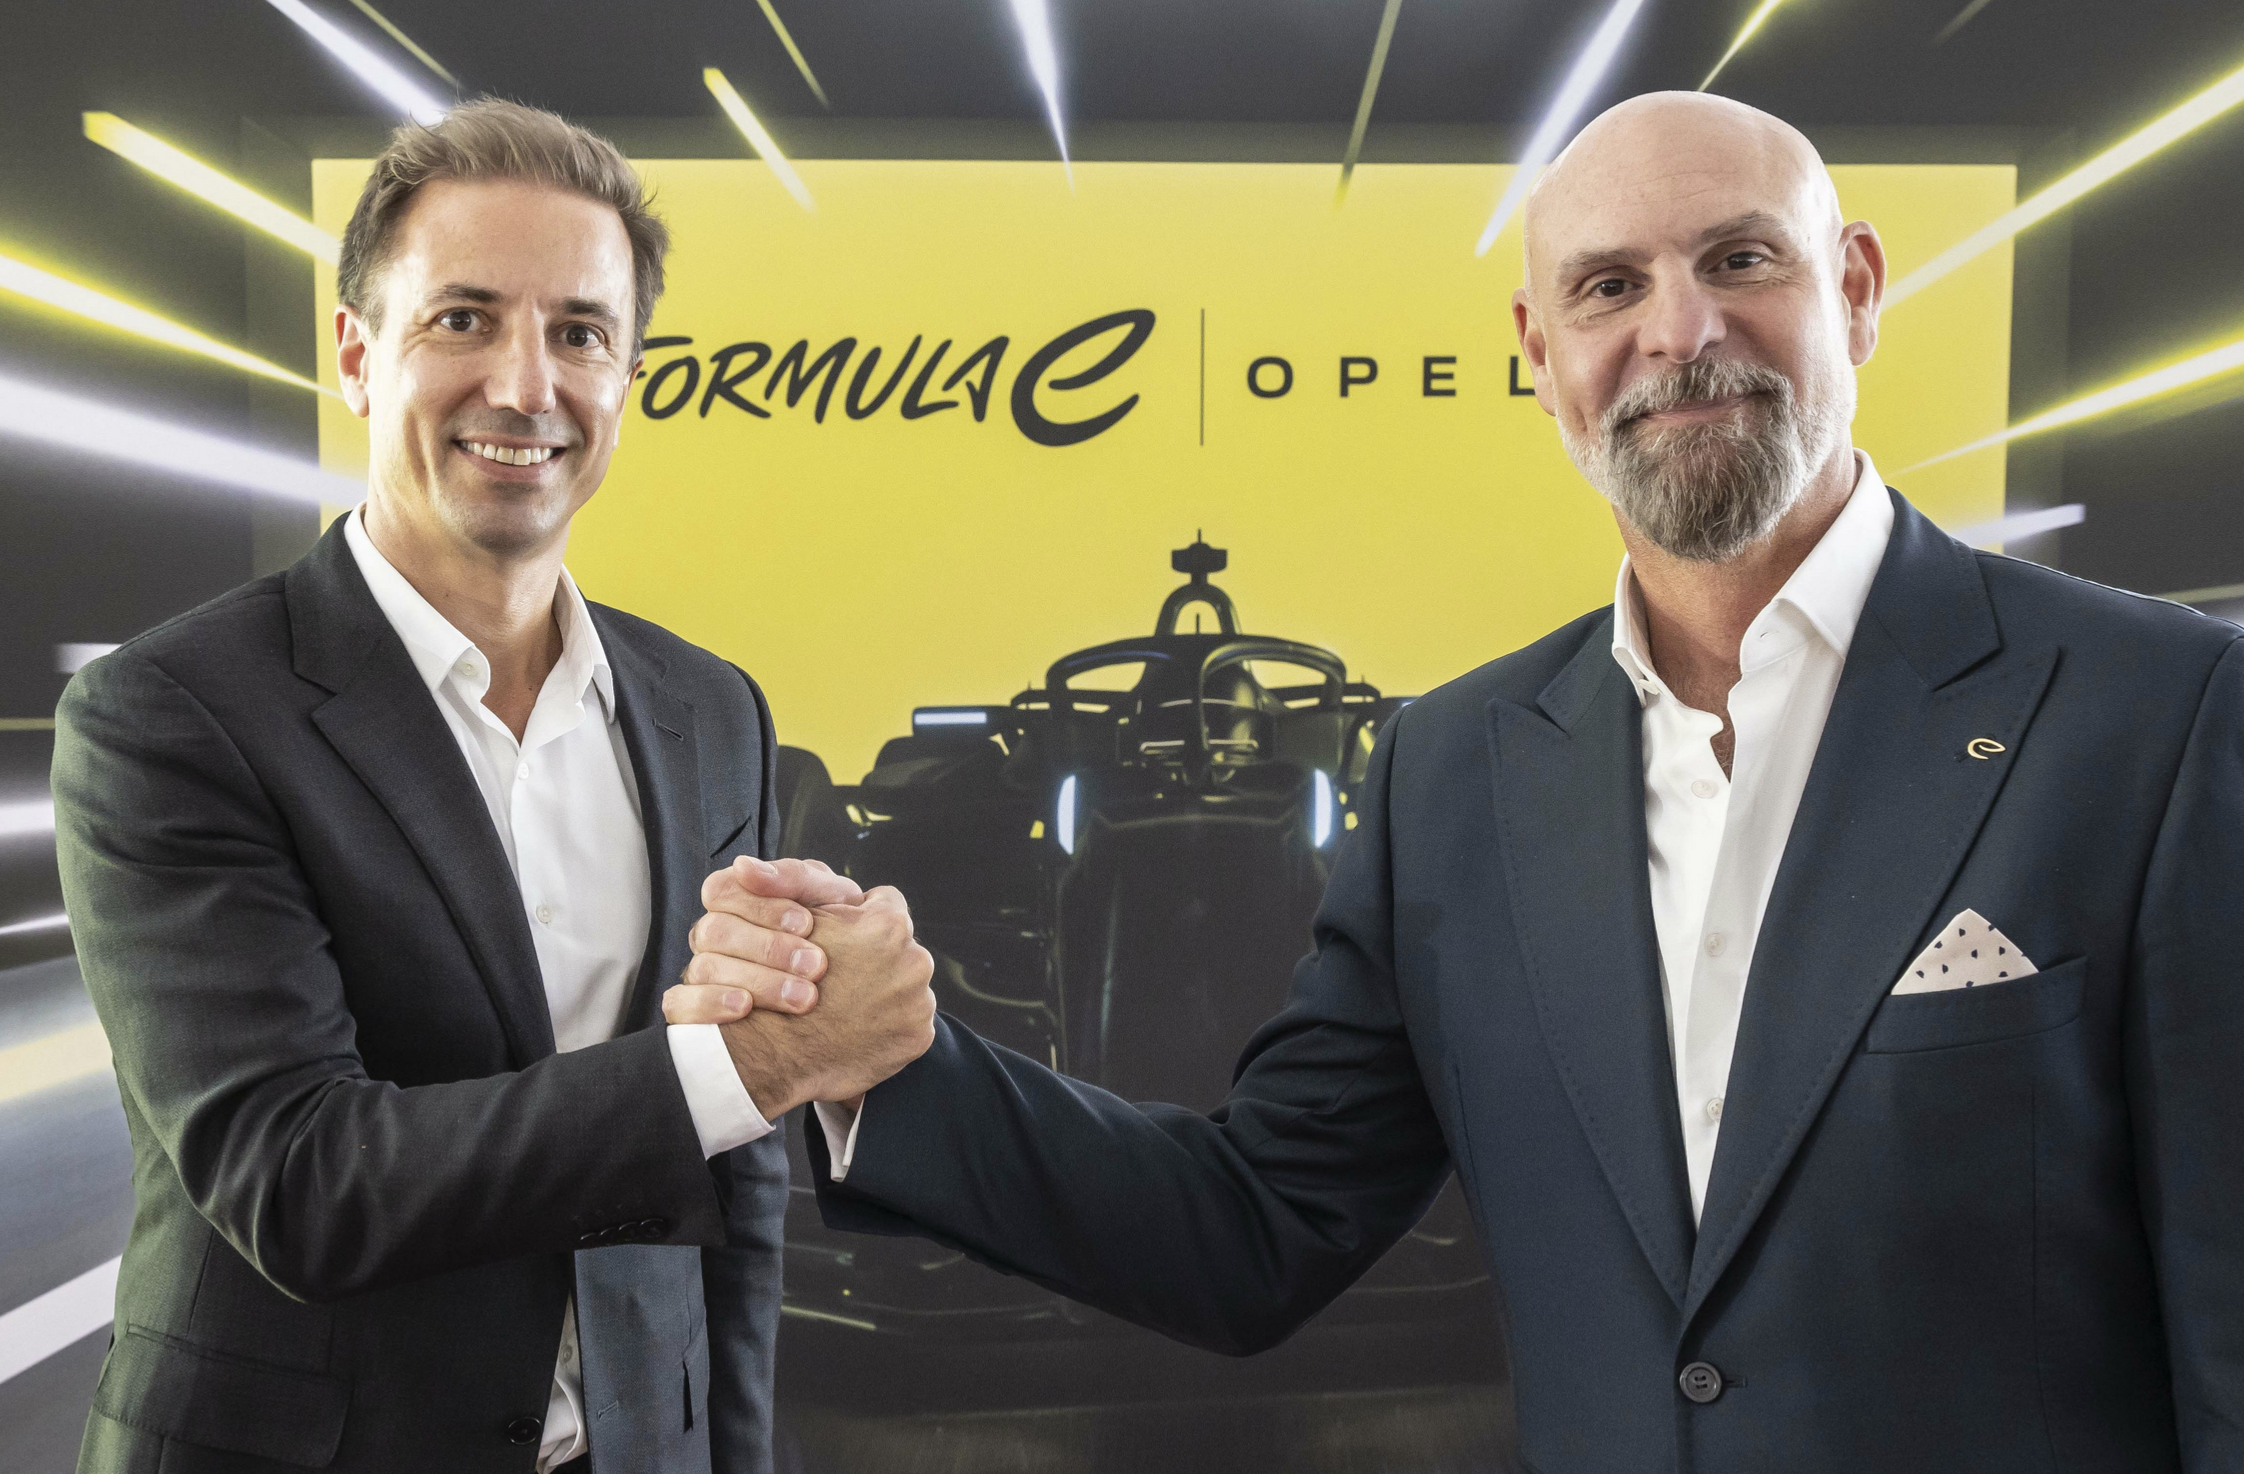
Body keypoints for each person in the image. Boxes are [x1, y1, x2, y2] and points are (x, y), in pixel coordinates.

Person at [673, 92, 2244, 1470]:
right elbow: (1254, 1226)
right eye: (1610, 285)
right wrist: (884, 1065)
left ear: (1856, 287)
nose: (1679, 330)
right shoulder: (1458, 770)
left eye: (1740, 259)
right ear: (1541, 355)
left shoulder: (2159, 714)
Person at [52, 99, 931, 1474]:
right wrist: (758, 1062)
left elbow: (738, 1183)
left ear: (628, 378)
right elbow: (299, 1179)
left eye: (580, 333)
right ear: (357, 354)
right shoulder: (170, 714)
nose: (526, 386)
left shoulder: (712, 711)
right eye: (464, 318)